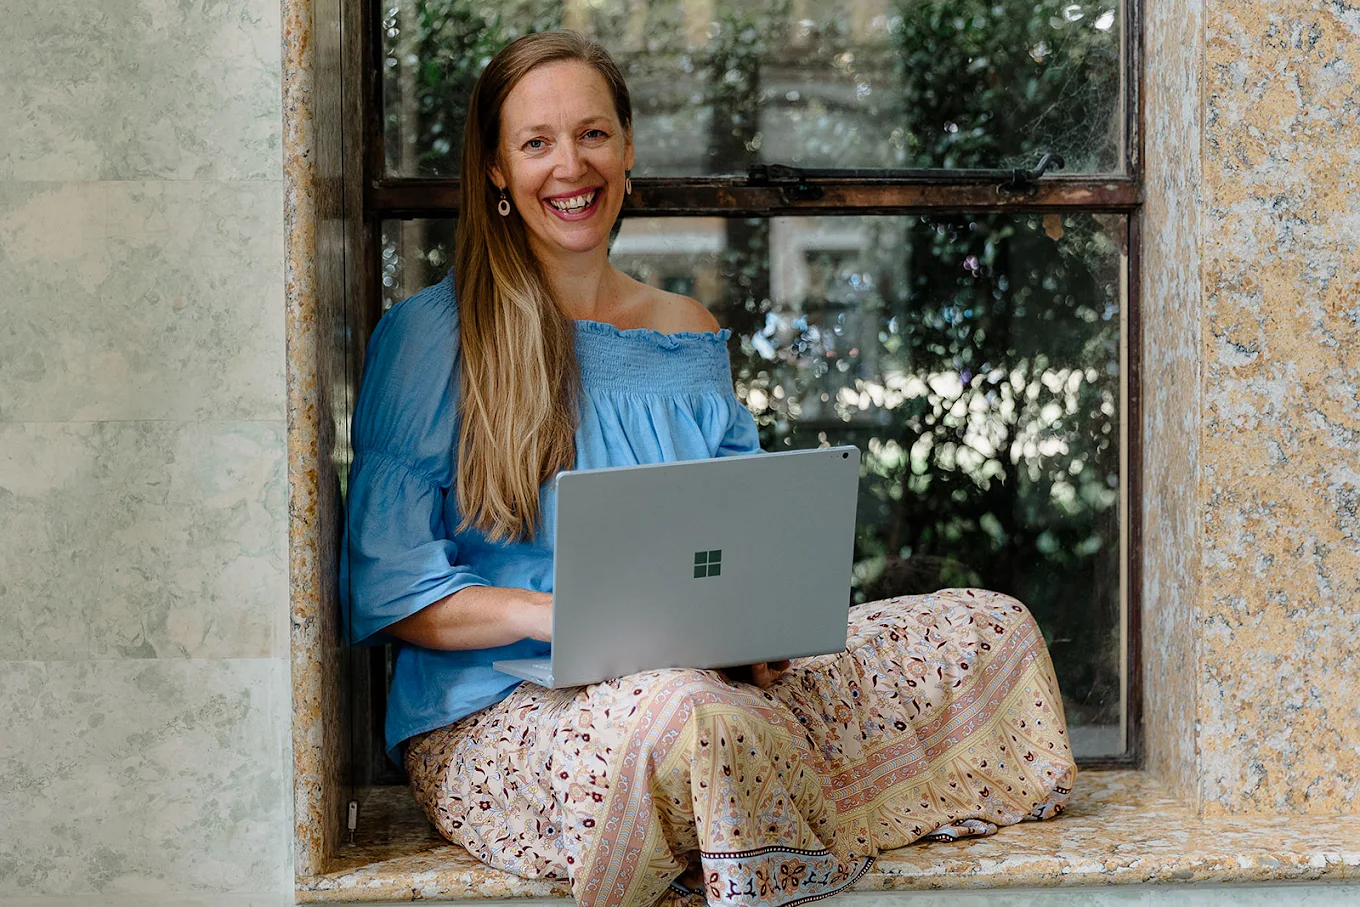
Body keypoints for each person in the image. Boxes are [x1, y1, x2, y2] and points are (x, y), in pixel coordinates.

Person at [341, 30, 1076, 907]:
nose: (569, 165)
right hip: (509, 709)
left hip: (702, 675)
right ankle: (755, 805)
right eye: (535, 142)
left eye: (592, 134)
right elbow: (389, 591)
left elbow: (743, 539)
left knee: (986, 628)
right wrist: (569, 616)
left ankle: (744, 790)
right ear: (496, 169)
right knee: (691, 719)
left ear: (627, 148)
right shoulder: (430, 336)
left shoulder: (685, 328)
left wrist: (757, 629)